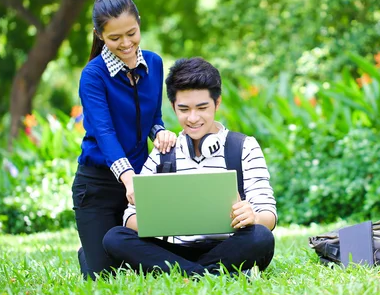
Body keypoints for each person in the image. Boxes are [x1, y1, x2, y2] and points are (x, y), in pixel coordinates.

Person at [102, 57, 277, 277]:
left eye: (202, 108)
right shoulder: (164, 151)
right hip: (176, 250)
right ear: (174, 107)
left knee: (261, 237)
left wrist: (252, 217)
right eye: (184, 109)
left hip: (228, 246)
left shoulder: (244, 146)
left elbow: (268, 216)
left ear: (217, 103)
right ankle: (208, 274)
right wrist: (158, 219)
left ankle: (183, 274)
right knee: (115, 238)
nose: (193, 118)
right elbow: (130, 218)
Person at [73, 0, 177, 279]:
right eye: (115, 38)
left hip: (141, 182)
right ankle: (92, 252)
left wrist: (160, 133)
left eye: (131, 33)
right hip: (98, 186)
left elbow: (153, 117)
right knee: (102, 276)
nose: (126, 43)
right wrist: (127, 177)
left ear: (139, 24)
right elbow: (104, 132)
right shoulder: (93, 75)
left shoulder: (154, 64)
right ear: (99, 35)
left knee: (152, 266)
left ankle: (101, 250)